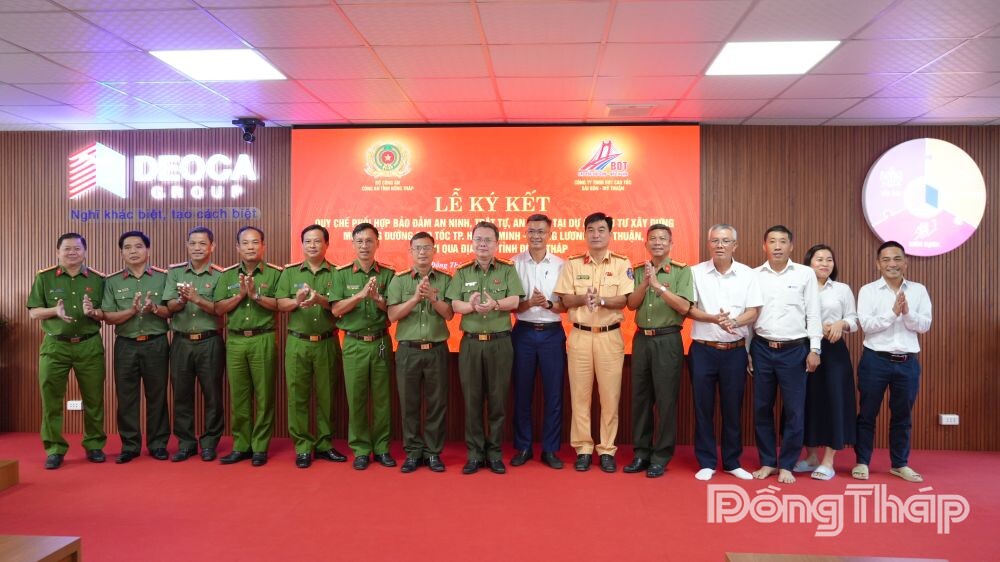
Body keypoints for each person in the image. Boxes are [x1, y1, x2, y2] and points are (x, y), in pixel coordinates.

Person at [554, 212, 633, 473]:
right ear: (585, 233)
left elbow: (624, 300)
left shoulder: (622, 263)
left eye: (601, 230)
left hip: (610, 336)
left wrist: (601, 300)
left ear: (609, 234)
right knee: (580, 396)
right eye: (591, 230)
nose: (596, 234)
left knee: (610, 397)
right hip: (580, 335)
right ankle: (584, 449)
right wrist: (583, 299)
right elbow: (565, 299)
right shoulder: (573, 263)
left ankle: (607, 449)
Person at [446, 221, 523, 475]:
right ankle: (475, 454)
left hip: (500, 343)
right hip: (471, 344)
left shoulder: (508, 270)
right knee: (472, 401)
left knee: (498, 401)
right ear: (472, 242)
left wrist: (495, 304)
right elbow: (454, 305)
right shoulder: (462, 272)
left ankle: (495, 453)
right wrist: (471, 306)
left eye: (488, 240)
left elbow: (515, 300)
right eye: (478, 239)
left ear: (496, 243)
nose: (483, 244)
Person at [26, 233, 107, 470]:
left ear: (85, 252)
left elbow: (106, 311)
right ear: (58, 252)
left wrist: (94, 312)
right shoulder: (44, 277)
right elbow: (33, 311)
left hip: (89, 344)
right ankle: (54, 449)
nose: (72, 252)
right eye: (67, 249)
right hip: (55, 345)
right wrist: (54, 311)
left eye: (77, 248)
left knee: (94, 399)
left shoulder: (98, 280)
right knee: (51, 400)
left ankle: (94, 445)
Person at [854, 241, 932, 483]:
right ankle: (862, 462)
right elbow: (866, 325)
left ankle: (899, 464)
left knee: (902, 416)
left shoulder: (918, 290)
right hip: (875, 360)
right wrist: (893, 313)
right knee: (867, 413)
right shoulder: (868, 291)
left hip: (907, 362)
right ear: (878, 264)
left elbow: (924, 325)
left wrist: (907, 312)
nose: (892, 264)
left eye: (897, 259)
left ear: (905, 262)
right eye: (886, 259)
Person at [688, 224, 761, 481]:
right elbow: (689, 309)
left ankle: (732, 462)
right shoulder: (695, 272)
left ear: (735, 245)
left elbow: (754, 311)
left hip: (735, 352)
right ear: (709, 244)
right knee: (703, 408)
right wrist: (714, 319)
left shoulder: (748, 274)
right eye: (715, 240)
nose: (720, 245)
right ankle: (707, 462)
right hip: (703, 350)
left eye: (726, 241)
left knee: (733, 408)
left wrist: (734, 322)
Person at [751, 225, 822, 484]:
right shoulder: (754, 275)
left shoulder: (805, 274)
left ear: (791, 246)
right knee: (761, 408)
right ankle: (768, 461)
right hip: (761, 348)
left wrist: (815, 349)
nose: (777, 246)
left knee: (794, 410)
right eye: (772, 241)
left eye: (782, 241)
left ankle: (788, 464)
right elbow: (749, 315)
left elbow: (813, 313)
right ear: (765, 246)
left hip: (794, 350)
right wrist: (747, 350)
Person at [624, 224, 694, 478]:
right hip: (642, 340)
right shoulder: (637, 271)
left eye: (663, 239)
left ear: (671, 244)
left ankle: (661, 456)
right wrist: (646, 283)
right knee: (640, 399)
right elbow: (631, 305)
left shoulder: (682, 271)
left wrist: (659, 286)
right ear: (646, 243)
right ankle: (641, 453)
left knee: (665, 400)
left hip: (668, 339)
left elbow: (684, 307)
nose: (657, 242)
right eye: (652, 238)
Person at [276, 225, 347, 469]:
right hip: (298, 342)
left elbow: (338, 307)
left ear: (327, 244)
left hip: (327, 341)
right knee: (297, 396)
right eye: (308, 241)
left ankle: (325, 444)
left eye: (317, 241)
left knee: (327, 396)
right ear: (302, 244)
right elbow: (280, 304)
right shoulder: (290, 273)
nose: (313, 245)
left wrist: (320, 300)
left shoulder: (337, 273)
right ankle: (303, 446)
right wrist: (296, 301)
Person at [97, 231, 171, 464]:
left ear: (148, 250)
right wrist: (131, 311)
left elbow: (171, 311)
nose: (133, 251)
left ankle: (158, 444)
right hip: (126, 345)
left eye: (138, 246)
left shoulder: (163, 277)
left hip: (156, 343)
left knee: (157, 395)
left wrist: (155, 309)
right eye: (127, 247)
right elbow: (108, 317)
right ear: (121, 253)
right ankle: (130, 445)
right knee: (126, 397)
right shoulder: (112, 281)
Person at [214, 226, 283, 467]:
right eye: (245, 243)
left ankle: (260, 447)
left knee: (264, 395)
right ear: (238, 247)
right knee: (239, 396)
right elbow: (218, 309)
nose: (250, 247)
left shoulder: (275, 274)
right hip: (235, 340)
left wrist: (255, 296)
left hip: (263, 338)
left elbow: (281, 305)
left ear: (263, 246)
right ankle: (241, 445)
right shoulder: (227, 275)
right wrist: (240, 295)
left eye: (255, 242)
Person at [387, 232, 454, 473]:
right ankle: (414, 453)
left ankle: (433, 452)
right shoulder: (399, 280)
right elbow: (392, 315)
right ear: (411, 251)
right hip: (408, 351)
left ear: (434, 251)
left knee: (437, 403)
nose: (422, 252)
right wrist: (415, 299)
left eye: (427, 248)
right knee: (409, 404)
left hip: (436, 350)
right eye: (418, 248)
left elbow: (449, 314)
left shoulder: (446, 280)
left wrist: (433, 299)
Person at [331, 223, 396, 470]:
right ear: (353, 244)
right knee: (356, 398)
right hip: (353, 343)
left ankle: (381, 448)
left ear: (377, 243)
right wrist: (359, 295)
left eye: (369, 241)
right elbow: (336, 309)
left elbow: (394, 311)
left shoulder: (389, 274)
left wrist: (377, 299)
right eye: (359, 241)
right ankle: (360, 449)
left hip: (380, 342)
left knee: (382, 399)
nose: (364, 245)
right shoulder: (341, 274)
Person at [794, 244, 858, 480]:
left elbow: (854, 319)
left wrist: (841, 323)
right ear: (808, 263)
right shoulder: (799, 287)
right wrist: (814, 327)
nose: (824, 263)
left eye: (829, 259)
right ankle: (811, 457)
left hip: (833, 351)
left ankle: (828, 461)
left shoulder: (841, 289)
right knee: (806, 401)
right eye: (819, 259)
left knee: (834, 401)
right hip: (804, 348)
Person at [163, 226, 225, 462]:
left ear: (212, 246)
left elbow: (220, 310)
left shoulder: (220, 275)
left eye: (202, 244)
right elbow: (169, 307)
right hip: (181, 342)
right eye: (193, 243)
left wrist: (197, 299)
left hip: (210, 341)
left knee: (213, 396)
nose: (197, 248)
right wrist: (181, 301)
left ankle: (209, 443)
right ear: (187, 246)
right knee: (181, 395)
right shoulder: (175, 273)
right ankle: (186, 443)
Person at [510, 214, 566, 470]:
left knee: (554, 394)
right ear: (525, 233)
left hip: (552, 334)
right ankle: (523, 447)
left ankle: (550, 449)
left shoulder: (561, 265)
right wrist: (529, 303)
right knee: (522, 393)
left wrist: (549, 304)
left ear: (550, 234)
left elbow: (566, 305)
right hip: (523, 332)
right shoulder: (513, 264)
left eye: (541, 231)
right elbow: (511, 306)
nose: (536, 236)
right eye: (531, 231)